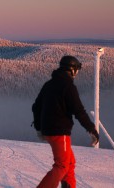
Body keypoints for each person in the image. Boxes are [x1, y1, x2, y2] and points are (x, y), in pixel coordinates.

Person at [32, 55, 99, 188]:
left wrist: (39, 128)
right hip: (59, 132)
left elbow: (36, 107)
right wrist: (91, 129)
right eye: (77, 70)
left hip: (50, 130)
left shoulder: (49, 84)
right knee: (61, 165)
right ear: (72, 69)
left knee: (69, 163)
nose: (77, 73)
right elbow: (79, 111)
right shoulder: (68, 86)